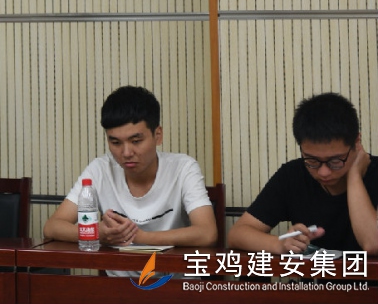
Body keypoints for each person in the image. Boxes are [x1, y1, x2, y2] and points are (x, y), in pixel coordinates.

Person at [43, 86, 217, 262]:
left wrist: (140, 237)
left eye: (136, 141)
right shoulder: (100, 169)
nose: (126, 153)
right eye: (116, 143)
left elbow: (207, 233)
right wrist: (97, 233)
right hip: (119, 278)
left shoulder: (183, 168)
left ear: (158, 135)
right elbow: (52, 227)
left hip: (174, 276)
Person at [228, 92, 378, 255]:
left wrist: (354, 176)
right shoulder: (292, 176)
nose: (323, 172)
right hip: (316, 272)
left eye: (335, 161)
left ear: (356, 143)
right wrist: (280, 244)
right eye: (312, 160)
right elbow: (237, 234)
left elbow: (373, 244)